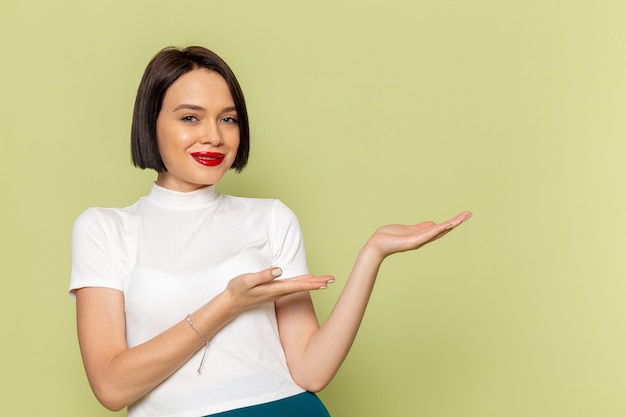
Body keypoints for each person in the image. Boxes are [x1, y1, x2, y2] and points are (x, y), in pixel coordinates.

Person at [69, 45, 472, 417]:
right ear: (150, 122)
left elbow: (311, 372)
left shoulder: (272, 218)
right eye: (190, 117)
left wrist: (372, 254)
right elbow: (111, 387)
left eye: (228, 119)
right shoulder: (105, 230)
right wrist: (227, 303)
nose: (214, 135)